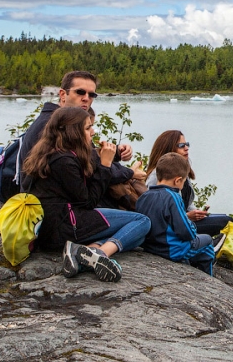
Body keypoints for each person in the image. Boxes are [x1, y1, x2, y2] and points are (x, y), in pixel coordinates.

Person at [22, 107, 151, 282]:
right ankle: (99, 253)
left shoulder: (50, 153)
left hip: (52, 227)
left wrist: (113, 161)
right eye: (88, 127)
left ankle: (86, 252)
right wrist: (105, 165)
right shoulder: (64, 162)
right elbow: (88, 201)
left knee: (137, 238)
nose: (93, 132)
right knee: (142, 222)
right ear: (73, 131)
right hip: (64, 227)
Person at [144, 130, 233, 270]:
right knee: (226, 221)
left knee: (224, 221)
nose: (186, 148)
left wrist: (196, 212)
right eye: (181, 145)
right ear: (168, 148)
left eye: (187, 144)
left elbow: (183, 204)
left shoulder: (179, 169)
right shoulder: (157, 177)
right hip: (174, 229)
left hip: (183, 222)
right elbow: (159, 210)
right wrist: (188, 216)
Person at [12, 70, 135, 197]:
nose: (86, 98)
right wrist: (130, 172)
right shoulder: (54, 126)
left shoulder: (69, 122)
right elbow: (90, 165)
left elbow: (88, 154)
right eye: (80, 92)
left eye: (92, 94)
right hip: (52, 205)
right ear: (63, 94)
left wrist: (116, 153)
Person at [135, 153, 225, 275]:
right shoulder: (173, 197)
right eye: (183, 181)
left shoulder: (143, 197)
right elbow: (186, 231)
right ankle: (208, 277)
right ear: (177, 180)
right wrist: (193, 227)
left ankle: (190, 263)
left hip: (150, 247)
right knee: (207, 241)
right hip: (171, 250)